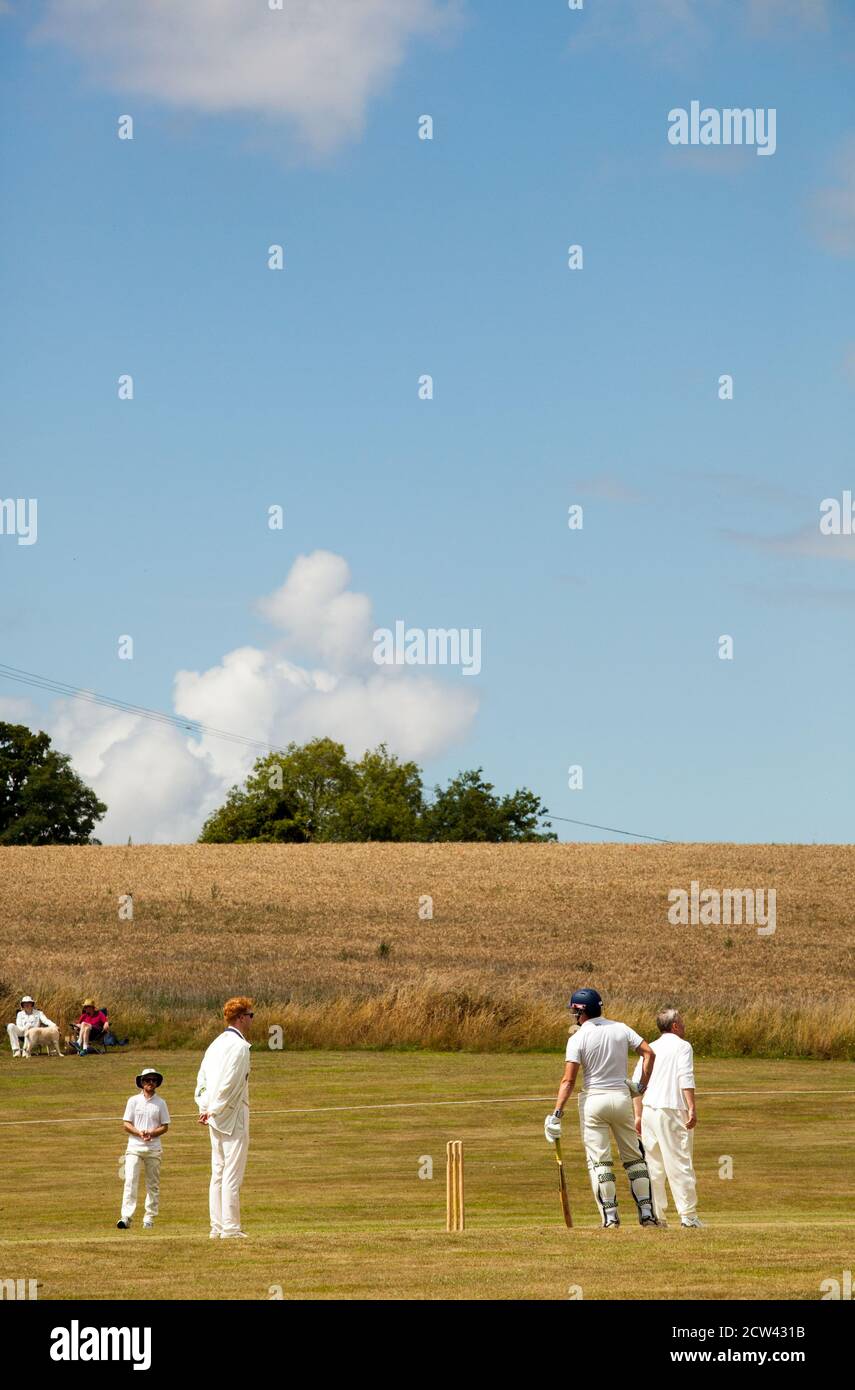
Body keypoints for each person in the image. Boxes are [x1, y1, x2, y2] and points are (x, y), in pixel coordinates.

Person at [545, 987, 659, 1228]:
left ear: (580, 1012)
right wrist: (641, 1086)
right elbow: (649, 1053)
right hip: (621, 1097)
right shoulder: (621, 1028)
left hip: (594, 1101)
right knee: (634, 1158)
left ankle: (610, 1217)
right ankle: (647, 1214)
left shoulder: (577, 1038)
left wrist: (556, 1114)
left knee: (600, 1162)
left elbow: (568, 1081)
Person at [631, 1007, 703, 1229]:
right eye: (681, 1021)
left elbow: (636, 1083)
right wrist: (691, 1107)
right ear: (674, 1026)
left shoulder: (650, 1047)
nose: (684, 1024)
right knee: (679, 1162)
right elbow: (685, 1076)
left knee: (654, 1165)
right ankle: (688, 1216)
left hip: (650, 1110)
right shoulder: (683, 1046)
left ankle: (656, 1216)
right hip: (672, 1110)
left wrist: (638, 1115)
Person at [195, 997, 253, 1239]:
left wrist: (206, 1106)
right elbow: (231, 1082)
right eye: (250, 1016)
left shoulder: (215, 1044)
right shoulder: (239, 1047)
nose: (252, 1020)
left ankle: (217, 1227)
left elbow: (202, 1081)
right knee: (230, 1172)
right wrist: (213, 1108)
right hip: (230, 1114)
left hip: (214, 1114)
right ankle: (228, 1228)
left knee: (218, 1171)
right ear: (240, 1018)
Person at [118, 1068, 170, 1231]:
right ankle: (126, 1217)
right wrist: (139, 1133)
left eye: (154, 1080)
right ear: (142, 1082)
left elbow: (165, 1126)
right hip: (134, 1147)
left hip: (153, 1149)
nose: (150, 1083)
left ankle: (149, 1218)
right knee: (130, 1181)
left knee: (152, 1184)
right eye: (147, 1080)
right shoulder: (133, 1101)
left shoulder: (161, 1103)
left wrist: (151, 1133)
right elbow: (126, 1124)